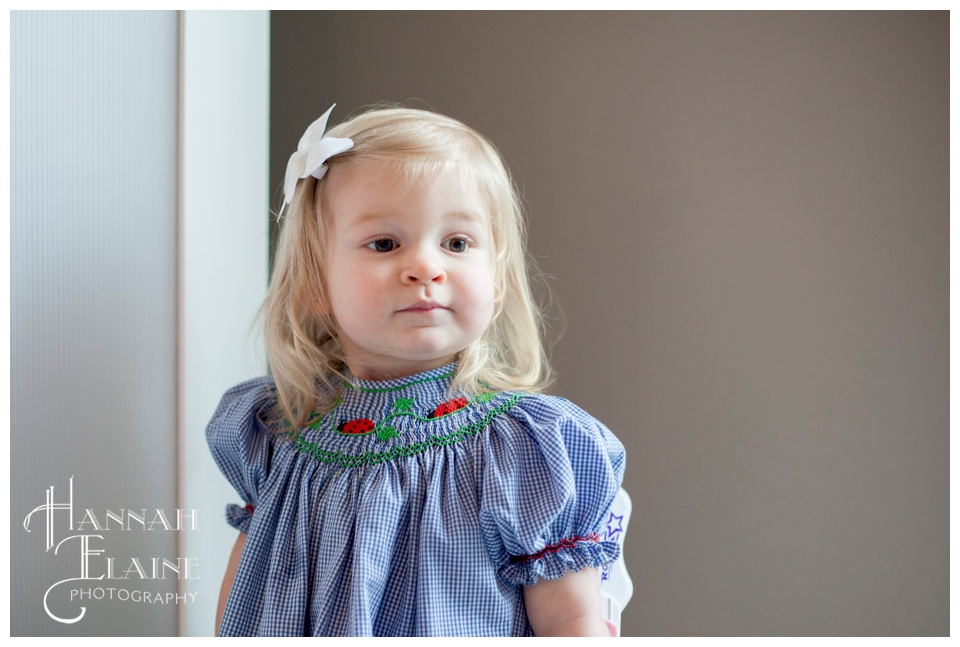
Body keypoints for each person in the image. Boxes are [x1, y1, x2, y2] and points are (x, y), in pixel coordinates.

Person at [207, 104, 626, 637]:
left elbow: (571, 622)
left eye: (457, 243)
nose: (426, 267)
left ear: (495, 281)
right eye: (385, 244)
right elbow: (243, 593)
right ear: (315, 282)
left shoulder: (524, 449)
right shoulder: (277, 429)